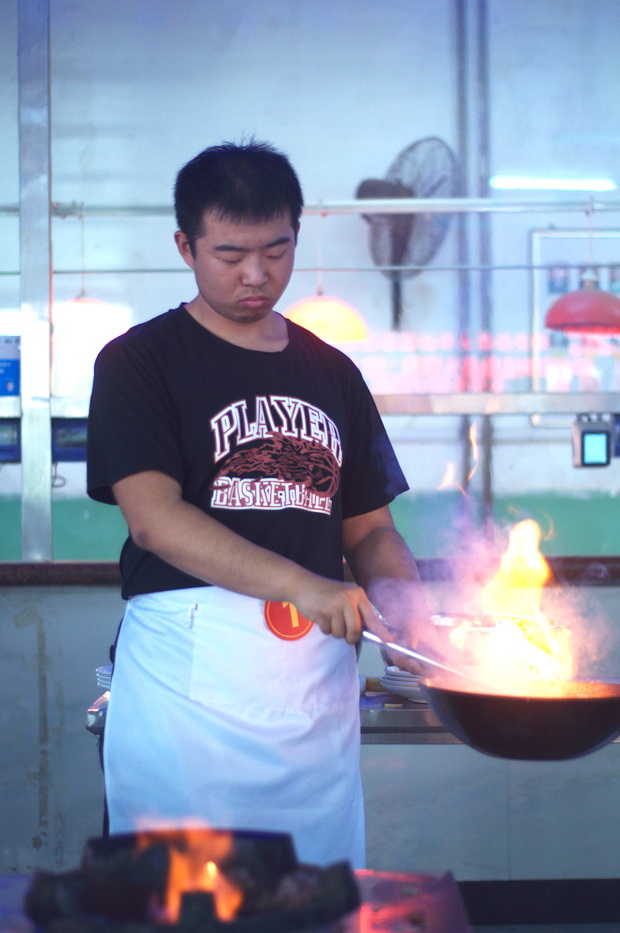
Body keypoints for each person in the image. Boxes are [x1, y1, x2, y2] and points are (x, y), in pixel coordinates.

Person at [87, 140, 425, 869]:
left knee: (315, 886)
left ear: (296, 236)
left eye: (276, 251)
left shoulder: (333, 372)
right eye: (230, 254)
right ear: (186, 247)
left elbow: (370, 529)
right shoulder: (138, 361)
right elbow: (153, 519)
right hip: (188, 678)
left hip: (313, 680)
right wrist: (304, 584)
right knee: (178, 890)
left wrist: (409, 612)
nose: (256, 275)